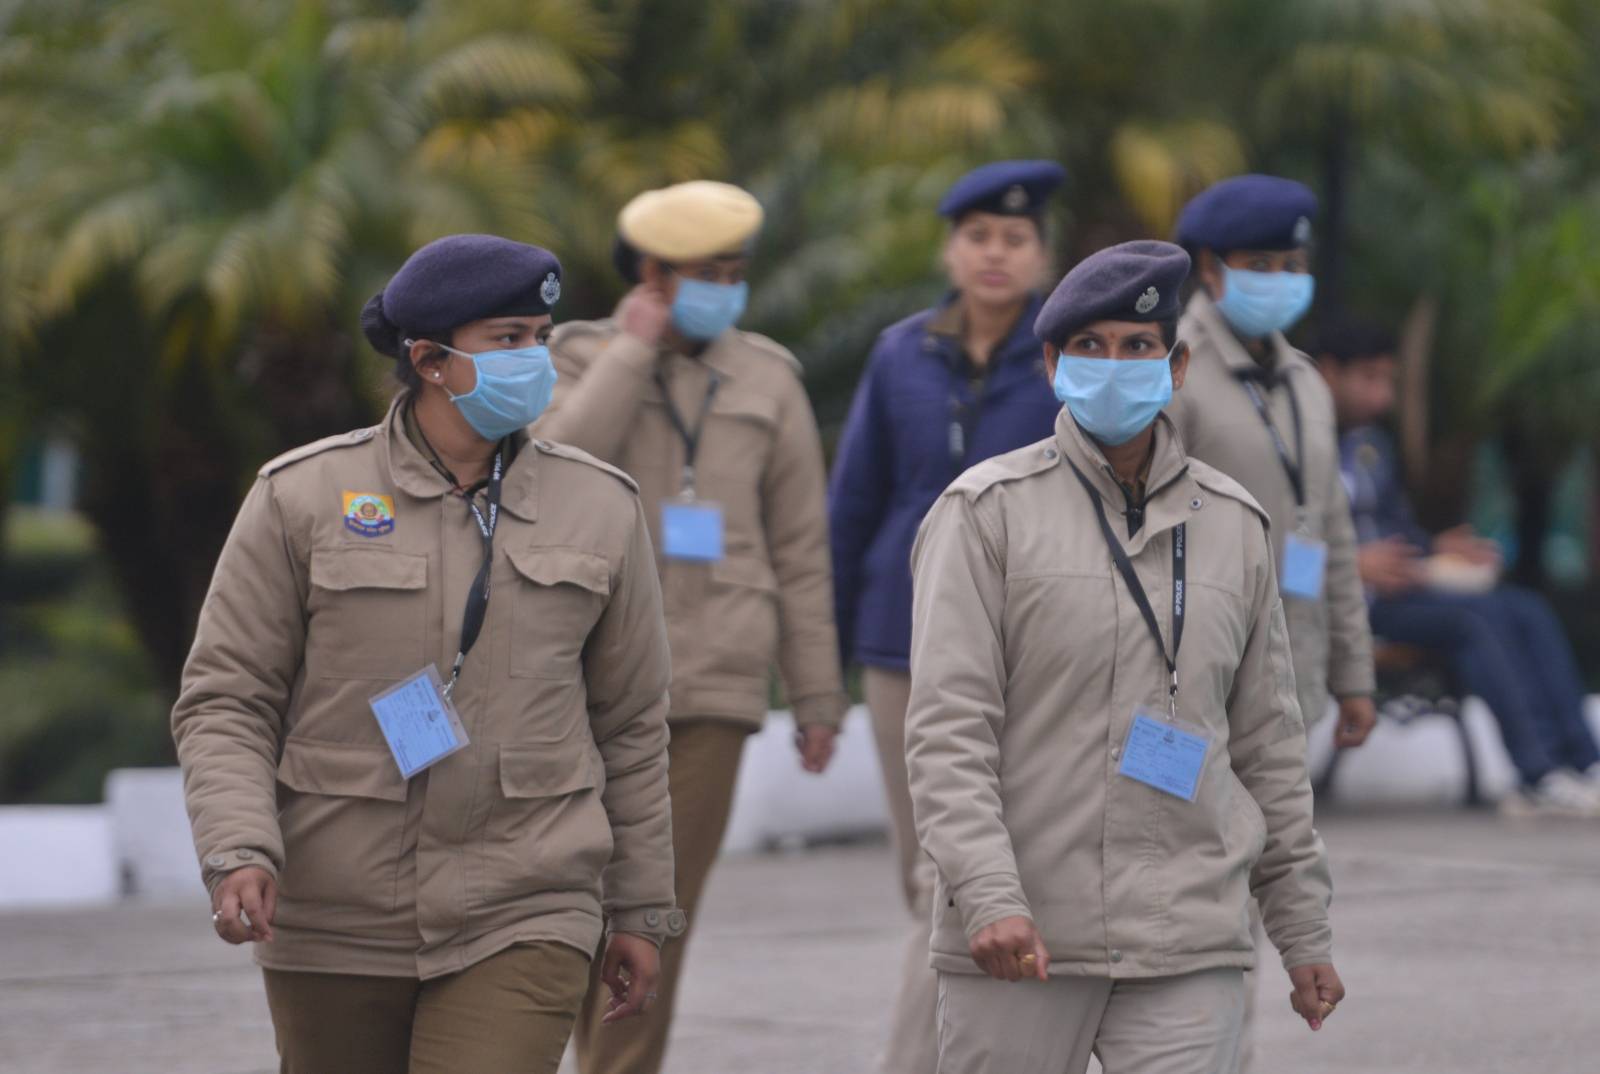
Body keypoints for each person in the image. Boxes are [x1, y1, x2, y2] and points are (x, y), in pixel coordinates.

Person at [171, 234, 684, 1074]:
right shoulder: (301, 497)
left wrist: (641, 909)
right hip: (336, 913)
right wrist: (238, 848)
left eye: (541, 338)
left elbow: (631, 724)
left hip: (528, 902)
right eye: (507, 339)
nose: (535, 361)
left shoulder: (600, 506)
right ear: (430, 360)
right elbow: (228, 697)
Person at [906, 240, 1343, 1074]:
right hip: (1025, 938)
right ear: (1051, 364)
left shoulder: (1234, 524)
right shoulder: (985, 515)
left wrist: (1302, 931)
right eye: (1092, 347)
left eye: (1139, 347)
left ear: (1176, 367)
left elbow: (1268, 749)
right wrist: (990, 896)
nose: (1116, 365)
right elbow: (949, 732)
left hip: (1188, 934)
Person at [533, 180, 850, 1074]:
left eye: (732, 272)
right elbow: (553, 467)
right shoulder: (576, 356)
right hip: (580, 678)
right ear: (648, 275)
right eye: (697, 273)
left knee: (655, 913)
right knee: (561, 902)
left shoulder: (768, 377)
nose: (719, 288)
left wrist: (817, 694)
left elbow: (800, 546)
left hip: (714, 680)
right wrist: (631, 354)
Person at [827, 158, 1066, 1073]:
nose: (995, 255)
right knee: (928, 876)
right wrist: (826, 664)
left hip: (1025, 640)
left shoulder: (1063, 359)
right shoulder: (901, 352)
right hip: (902, 642)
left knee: (962, 877)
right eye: (978, 237)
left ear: (1042, 253)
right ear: (950, 249)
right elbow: (851, 509)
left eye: (1015, 238)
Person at [1168, 174, 1375, 1071]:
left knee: (1261, 873)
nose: (1281, 279)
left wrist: (1354, 672)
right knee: (1186, 869)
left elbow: (1329, 529)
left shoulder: (1303, 381)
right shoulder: (1171, 366)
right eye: (1261, 264)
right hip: (1187, 675)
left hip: (1285, 678)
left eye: (1292, 264)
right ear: (1212, 271)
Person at [1318, 319, 1600, 817]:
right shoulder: (1292, 444)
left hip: (1401, 591)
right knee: (1473, 622)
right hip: (1339, 603)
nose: (1382, 396)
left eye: (1388, 380)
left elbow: (1395, 529)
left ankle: (1584, 761)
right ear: (1326, 373)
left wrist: (1437, 548)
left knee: (1525, 608)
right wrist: (1348, 566)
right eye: (1369, 378)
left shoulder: (1370, 448)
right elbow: (1269, 539)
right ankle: (1538, 773)